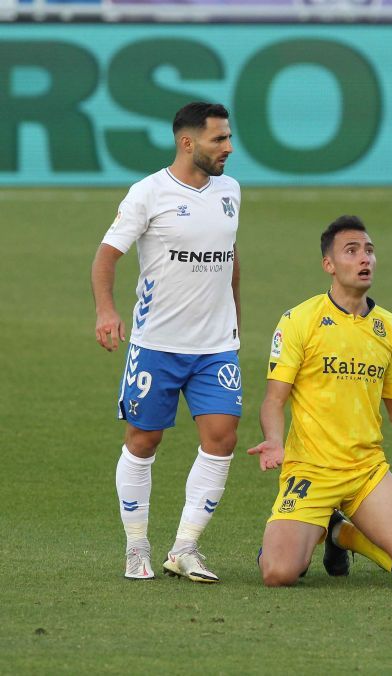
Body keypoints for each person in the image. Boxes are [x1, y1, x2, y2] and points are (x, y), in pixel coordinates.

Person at [248, 216, 392, 587]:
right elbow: (274, 399)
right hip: (311, 470)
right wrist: (273, 439)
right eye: (351, 251)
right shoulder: (299, 320)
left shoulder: (390, 328)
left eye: (369, 250)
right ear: (329, 265)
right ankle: (331, 531)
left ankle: (340, 533)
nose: (364, 258)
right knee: (279, 572)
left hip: (367, 471)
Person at [92, 102, 242, 583]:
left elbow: (230, 255)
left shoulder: (230, 191)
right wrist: (107, 311)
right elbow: (106, 257)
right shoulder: (148, 193)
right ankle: (137, 545)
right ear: (187, 142)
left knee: (222, 440)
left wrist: (235, 318)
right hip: (156, 343)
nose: (228, 148)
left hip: (216, 346)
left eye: (228, 137)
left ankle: (185, 547)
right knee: (143, 440)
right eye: (219, 139)